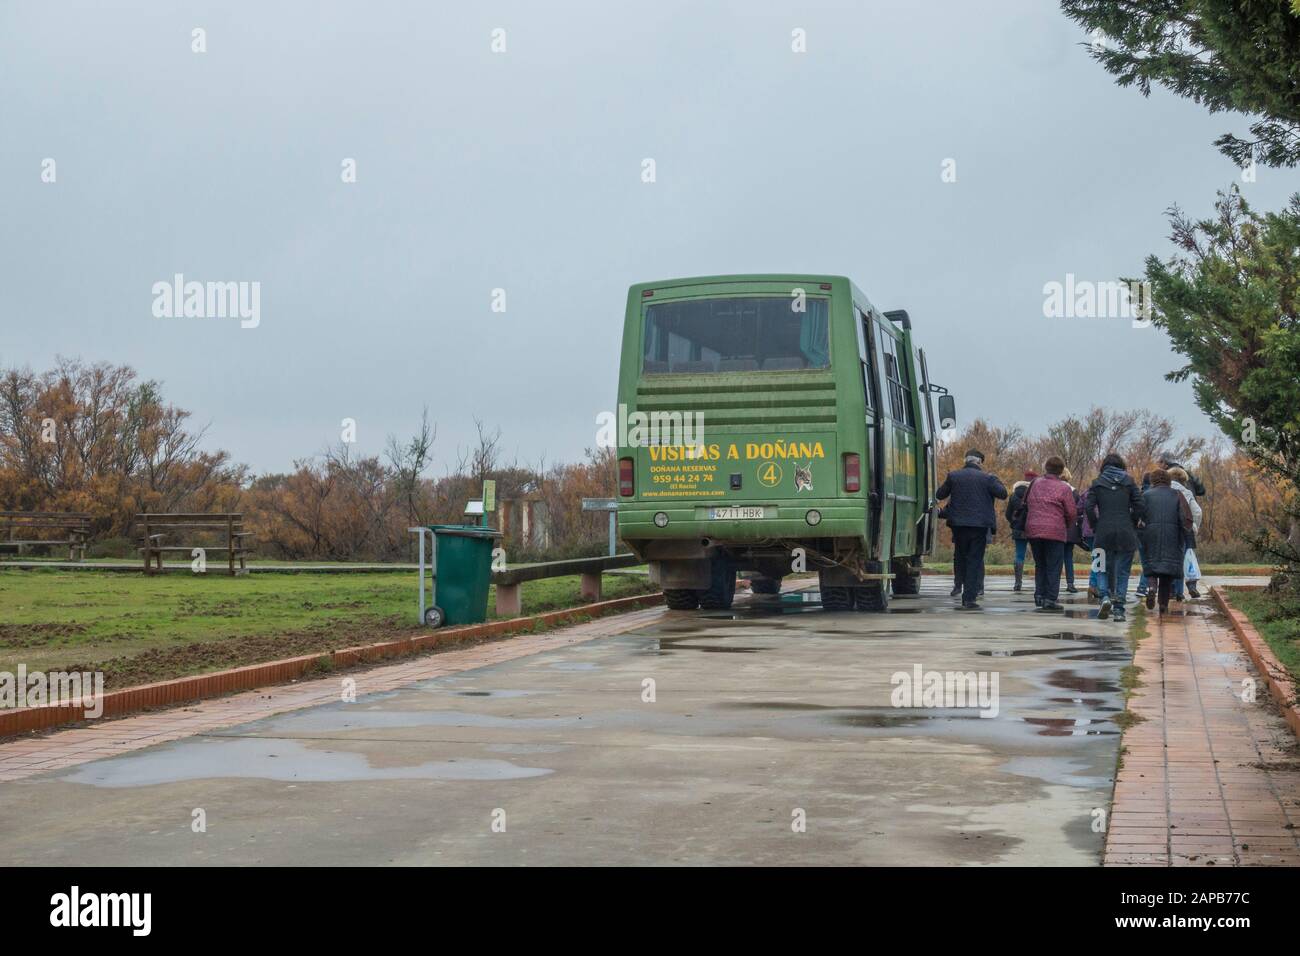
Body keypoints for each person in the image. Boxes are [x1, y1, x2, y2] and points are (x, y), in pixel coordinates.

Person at [935, 449, 1007, 610]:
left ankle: (958, 586)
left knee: (960, 557)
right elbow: (1002, 494)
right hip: (979, 526)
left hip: (959, 526)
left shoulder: (953, 476)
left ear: (965, 461)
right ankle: (969, 598)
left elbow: (940, 494)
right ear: (979, 462)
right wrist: (995, 479)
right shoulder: (988, 478)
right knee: (975, 560)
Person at [1084, 453, 1145, 622]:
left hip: (1103, 533)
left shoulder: (1097, 484)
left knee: (1101, 567)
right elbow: (1140, 505)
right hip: (1126, 532)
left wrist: (1096, 525)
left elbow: (1088, 507)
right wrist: (1132, 521)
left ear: (1104, 466)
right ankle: (1119, 610)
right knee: (1123, 572)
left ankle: (1104, 597)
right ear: (1121, 466)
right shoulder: (1129, 482)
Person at [1021, 456, 1077, 612]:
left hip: (1033, 529)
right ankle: (1050, 599)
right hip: (1055, 531)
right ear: (1061, 471)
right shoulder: (1064, 488)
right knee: (1054, 565)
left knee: (1041, 564)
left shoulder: (1034, 483)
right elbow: (1071, 512)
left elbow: (1024, 504)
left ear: (1046, 468)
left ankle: (1039, 594)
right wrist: (1065, 524)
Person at [1141, 469, 1195, 615]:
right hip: (1172, 536)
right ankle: (1163, 604)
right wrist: (1186, 534)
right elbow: (1186, 517)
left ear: (1153, 480)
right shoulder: (1177, 495)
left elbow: (1138, 516)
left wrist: (1140, 532)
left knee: (1152, 565)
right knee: (1167, 572)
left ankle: (1151, 588)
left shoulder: (1145, 495)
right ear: (1168, 481)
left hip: (1151, 535)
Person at [1167, 466, 1203, 599]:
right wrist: (1194, 526)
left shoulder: (1165, 490)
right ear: (1183, 480)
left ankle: (1172, 590)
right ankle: (1188, 587)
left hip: (1169, 530)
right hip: (1185, 530)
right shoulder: (1187, 492)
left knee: (1170, 560)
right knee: (1187, 557)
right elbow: (1198, 512)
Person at [1006, 470, 1037, 593]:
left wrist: (1013, 523)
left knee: (1019, 555)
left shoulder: (1014, 495)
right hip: (1034, 528)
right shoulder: (1035, 493)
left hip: (1018, 529)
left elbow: (1008, 514)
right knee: (1037, 556)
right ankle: (1039, 583)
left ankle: (1017, 583)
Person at [1061, 468, 1082, 594]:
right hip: (1070, 528)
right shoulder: (1074, 492)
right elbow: (1077, 511)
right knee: (1068, 556)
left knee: (1055, 557)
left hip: (1056, 527)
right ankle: (1070, 583)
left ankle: (1053, 583)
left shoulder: (1053, 489)